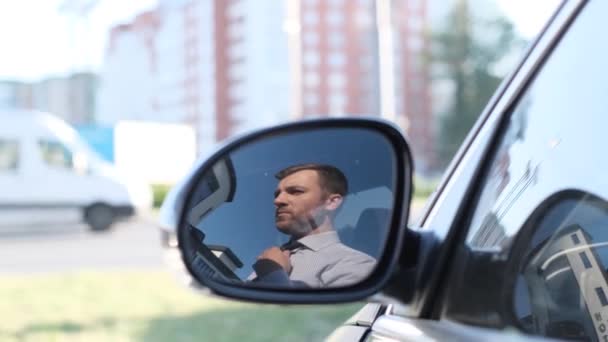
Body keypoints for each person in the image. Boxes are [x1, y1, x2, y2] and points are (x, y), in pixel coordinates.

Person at [250, 163, 376, 287]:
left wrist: (272, 273)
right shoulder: (274, 255)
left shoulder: (355, 263)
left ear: (332, 202)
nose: (277, 200)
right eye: (277, 194)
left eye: (296, 191)